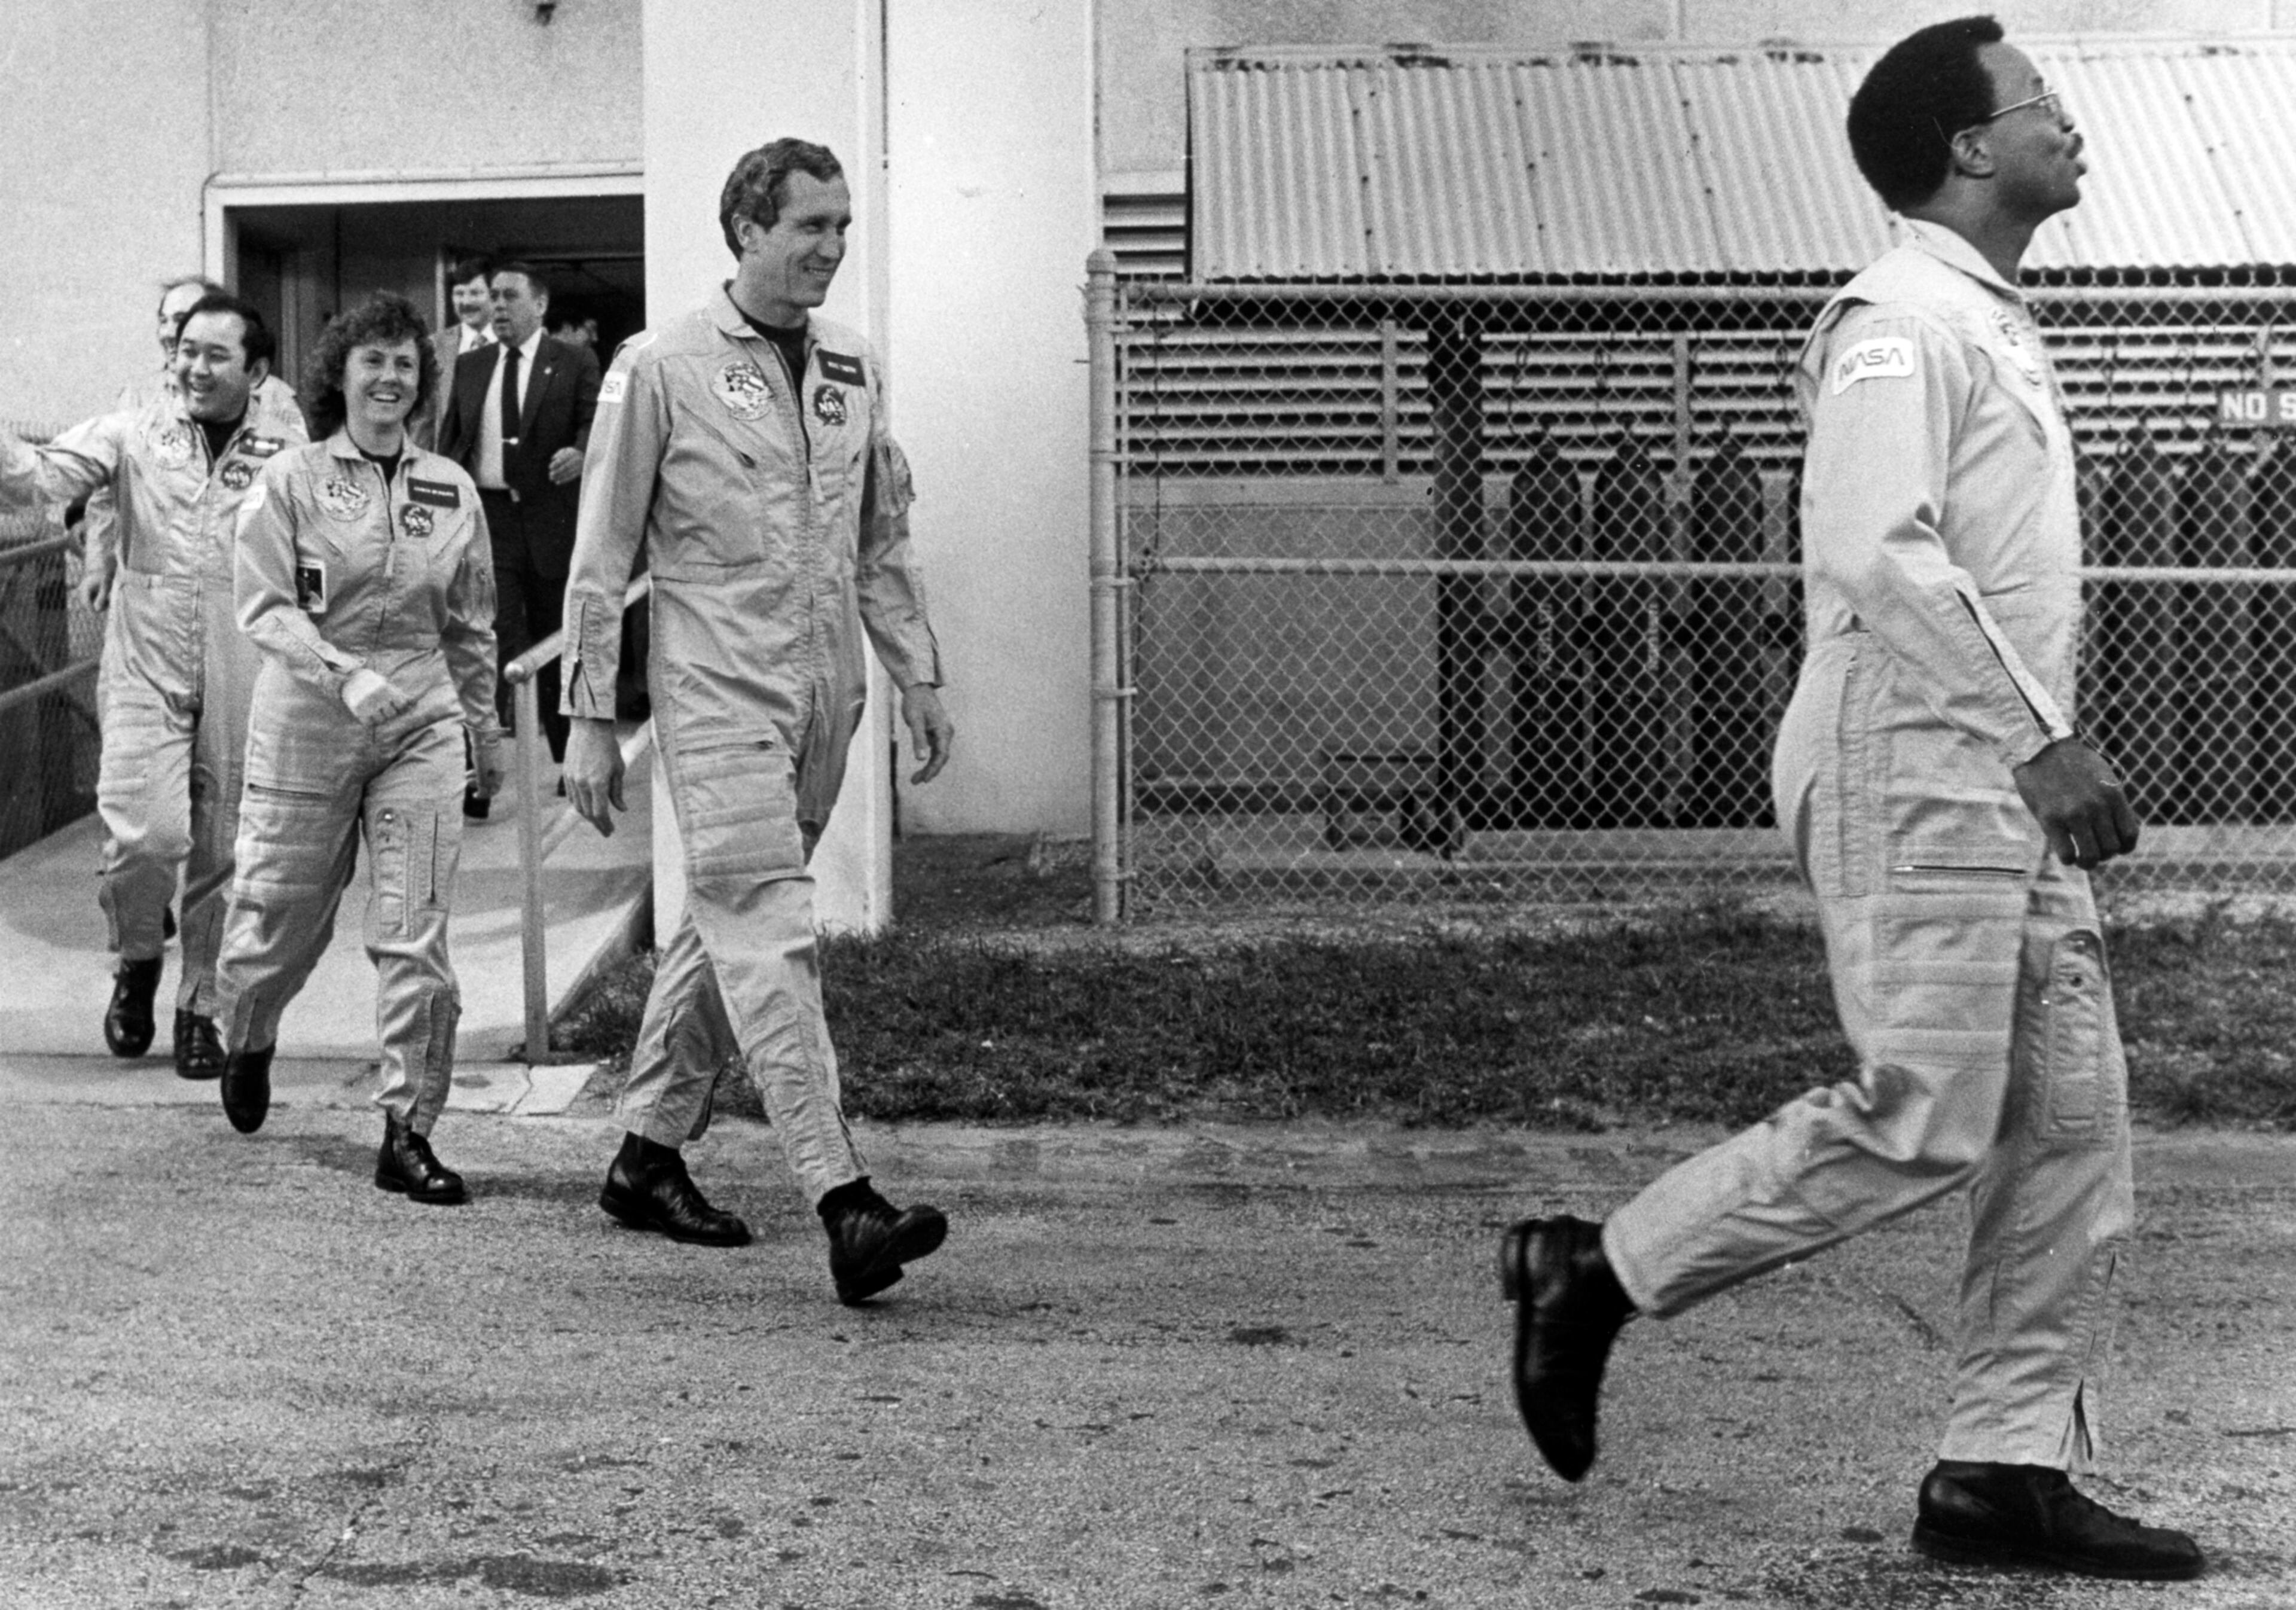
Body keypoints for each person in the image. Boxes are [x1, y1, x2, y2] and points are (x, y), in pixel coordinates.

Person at [1498, 17, 2204, 1584]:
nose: (2070, 121)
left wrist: (2028, 745)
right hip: (1920, 751)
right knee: (1931, 1112)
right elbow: (1877, 550)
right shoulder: (1900, 318)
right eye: (2041, 102)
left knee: (2067, 1124)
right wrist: (2040, 739)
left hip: (1990, 760)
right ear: (1970, 147)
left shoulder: (1987, 317)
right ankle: (1600, 1268)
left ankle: (2001, 1469)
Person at [560, 137, 955, 1306]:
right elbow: (601, 554)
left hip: (826, 696)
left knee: (723, 928)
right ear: (747, 228)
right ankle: (845, 1197)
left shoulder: (852, 365)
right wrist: (589, 713)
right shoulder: (660, 367)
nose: (833, 246)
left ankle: (645, 1157)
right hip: (716, 695)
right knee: (771, 928)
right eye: (811, 225)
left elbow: (880, 540)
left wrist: (918, 676)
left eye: (843, 225)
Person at [210, 292, 503, 1206]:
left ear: (422, 383)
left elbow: (473, 624)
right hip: (308, 718)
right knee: (278, 919)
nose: (390, 377)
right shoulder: (290, 480)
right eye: (372, 360)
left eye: (405, 363)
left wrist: (483, 729)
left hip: (419, 720)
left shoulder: (450, 488)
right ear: (339, 374)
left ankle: (407, 1129)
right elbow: (265, 606)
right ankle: (248, 1031)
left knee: (416, 929)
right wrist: (341, 674)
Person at [1, 293, 305, 1080]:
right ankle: (138, 957)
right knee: (147, 835)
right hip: (145, 654)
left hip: (244, 657)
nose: (194, 367)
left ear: (256, 372)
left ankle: (200, 1005)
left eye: (215, 355)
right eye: (186, 351)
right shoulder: (133, 430)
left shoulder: (286, 445)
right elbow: (40, 478)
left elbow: (317, 550)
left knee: (226, 843)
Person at [437, 260, 599, 797]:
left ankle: (567, 759)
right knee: (494, 637)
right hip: (491, 521)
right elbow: (451, 439)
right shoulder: (472, 365)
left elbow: (596, 421)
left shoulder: (573, 361)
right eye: (495, 297)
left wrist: (582, 451)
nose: (498, 307)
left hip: (551, 519)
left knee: (556, 640)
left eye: (510, 297)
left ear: (540, 305)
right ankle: (482, 768)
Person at [410, 255, 494, 453]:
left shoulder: (514, 344)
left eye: (475, 293)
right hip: (450, 459)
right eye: (459, 294)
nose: (466, 302)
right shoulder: (434, 346)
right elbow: (423, 418)